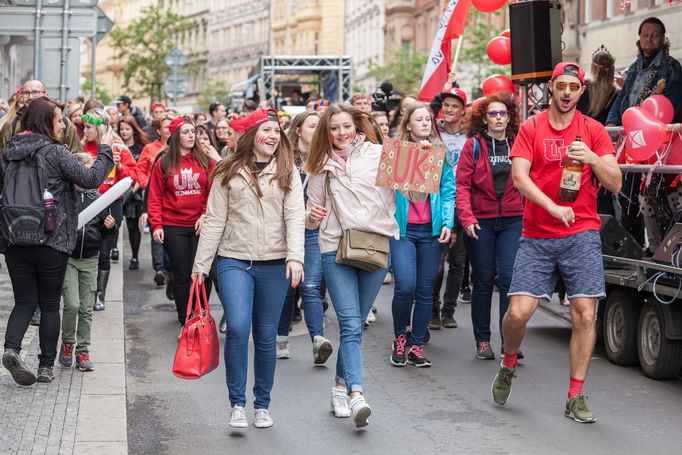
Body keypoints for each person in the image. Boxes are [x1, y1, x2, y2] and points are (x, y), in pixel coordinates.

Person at [491, 62, 622, 423]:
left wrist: (594, 159)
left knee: (584, 313)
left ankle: (575, 396)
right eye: (561, 85)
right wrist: (551, 206)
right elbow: (519, 178)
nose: (567, 92)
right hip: (537, 234)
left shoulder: (594, 131)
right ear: (551, 88)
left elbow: (615, 183)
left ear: (582, 92)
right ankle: (509, 361)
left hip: (581, 233)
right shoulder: (532, 127)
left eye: (574, 87)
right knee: (518, 313)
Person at [305, 104, 425, 428]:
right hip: (335, 247)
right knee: (348, 322)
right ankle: (357, 393)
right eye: (334, 128)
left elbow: (413, 195)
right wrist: (310, 217)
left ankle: (340, 387)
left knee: (355, 322)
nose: (341, 133)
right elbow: (311, 213)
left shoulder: (378, 153)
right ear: (326, 132)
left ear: (356, 127)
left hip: (374, 245)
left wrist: (417, 166)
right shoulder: (319, 164)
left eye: (346, 127)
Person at [191, 108, 305, 429]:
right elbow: (214, 220)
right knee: (239, 328)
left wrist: (295, 256)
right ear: (251, 135)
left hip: (274, 263)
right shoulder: (227, 170)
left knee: (266, 337)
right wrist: (200, 266)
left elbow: (295, 216)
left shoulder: (288, 171)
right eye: (266, 130)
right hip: (233, 259)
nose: (272, 136)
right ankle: (237, 403)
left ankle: (262, 405)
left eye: (276, 131)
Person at [1, 97, 114, 385]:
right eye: (58, 119)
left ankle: (12, 349)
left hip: (15, 238)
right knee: (50, 303)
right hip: (52, 238)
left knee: (24, 301)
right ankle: (45, 367)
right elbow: (90, 179)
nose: (63, 124)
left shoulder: (9, 151)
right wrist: (106, 150)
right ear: (45, 122)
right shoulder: (56, 153)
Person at [455, 92, 524, 360]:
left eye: (502, 113)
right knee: (482, 281)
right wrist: (467, 217)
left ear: (509, 117)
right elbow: (462, 185)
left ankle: (510, 341)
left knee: (508, 279)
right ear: (484, 119)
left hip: (512, 220)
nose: (498, 118)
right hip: (480, 221)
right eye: (492, 114)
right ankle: (482, 340)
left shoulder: (517, 144)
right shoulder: (472, 146)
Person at [606, 17, 682, 249]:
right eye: (645, 34)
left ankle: (669, 251)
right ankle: (639, 251)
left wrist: (648, 124)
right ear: (639, 38)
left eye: (654, 35)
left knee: (656, 196)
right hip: (633, 142)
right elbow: (623, 99)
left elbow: (674, 104)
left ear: (662, 38)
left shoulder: (671, 67)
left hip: (660, 145)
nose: (649, 39)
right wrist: (611, 124)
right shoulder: (635, 67)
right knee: (628, 198)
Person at [389, 102, 454, 368]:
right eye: (419, 120)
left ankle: (416, 345)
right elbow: (392, 190)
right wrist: (417, 159)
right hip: (403, 231)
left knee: (426, 291)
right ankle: (399, 339)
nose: (425, 123)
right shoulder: (396, 152)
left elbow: (448, 189)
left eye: (428, 119)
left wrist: (448, 222)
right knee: (405, 286)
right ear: (408, 125)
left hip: (431, 231)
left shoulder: (440, 151)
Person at [275, 111, 334, 363]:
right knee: (287, 287)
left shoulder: (326, 158)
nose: (318, 129)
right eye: (312, 125)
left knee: (310, 286)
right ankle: (280, 338)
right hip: (282, 230)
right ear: (298, 130)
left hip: (311, 231)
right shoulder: (282, 157)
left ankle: (318, 340)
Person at [148, 116, 216, 326]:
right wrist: (156, 224)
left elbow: (213, 193)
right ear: (176, 136)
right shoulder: (164, 161)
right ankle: (185, 319)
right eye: (186, 132)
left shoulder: (206, 160)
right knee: (182, 274)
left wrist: (205, 215)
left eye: (193, 132)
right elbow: (155, 196)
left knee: (203, 272)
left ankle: (201, 313)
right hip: (173, 225)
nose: (191, 136)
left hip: (200, 225)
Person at [59, 153, 117, 372]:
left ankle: (83, 351)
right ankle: (67, 344)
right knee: (72, 304)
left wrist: (109, 226)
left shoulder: (98, 199)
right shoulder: (66, 196)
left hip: (90, 259)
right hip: (69, 258)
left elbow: (106, 234)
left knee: (86, 308)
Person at [82, 109, 136, 311]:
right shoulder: (81, 148)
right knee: (86, 250)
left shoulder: (119, 149)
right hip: (87, 203)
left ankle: (100, 295)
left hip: (111, 204)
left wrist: (120, 166)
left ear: (98, 128)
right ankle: (85, 291)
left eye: (88, 127)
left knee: (104, 252)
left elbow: (133, 177)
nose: (85, 130)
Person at [429, 78, 469, 330]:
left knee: (459, 260)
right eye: (447, 105)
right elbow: (425, 112)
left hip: (463, 201)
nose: (450, 110)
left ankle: (448, 310)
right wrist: (441, 91)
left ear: (463, 109)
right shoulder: (433, 131)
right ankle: (432, 309)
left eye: (455, 106)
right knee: (436, 261)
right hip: (439, 200)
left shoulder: (471, 133)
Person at [577, 45, 621, 217]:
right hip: (605, 148)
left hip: (583, 145)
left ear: (593, 67)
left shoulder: (584, 90)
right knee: (605, 197)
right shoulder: (616, 94)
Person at [0, 80, 82, 153]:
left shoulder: (64, 123)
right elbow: (3, 158)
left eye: (35, 92)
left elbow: (76, 155)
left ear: (45, 95)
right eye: (26, 93)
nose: (30, 97)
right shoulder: (11, 125)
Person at [138, 117, 171, 286]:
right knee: (157, 234)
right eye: (166, 127)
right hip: (152, 195)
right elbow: (141, 171)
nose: (169, 130)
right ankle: (159, 269)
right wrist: (145, 185)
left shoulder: (183, 151)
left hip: (172, 203)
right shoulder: (151, 149)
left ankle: (170, 270)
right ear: (158, 131)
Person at [118, 115, 150, 270]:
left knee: (132, 226)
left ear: (133, 129)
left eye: (127, 129)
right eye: (121, 129)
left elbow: (142, 171)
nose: (124, 132)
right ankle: (114, 249)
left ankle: (135, 257)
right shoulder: (117, 146)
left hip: (135, 192)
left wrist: (133, 190)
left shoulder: (141, 147)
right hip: (117, 190)